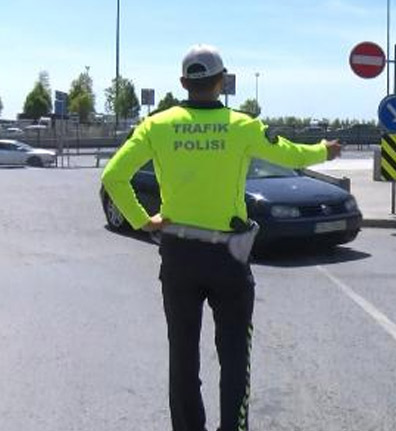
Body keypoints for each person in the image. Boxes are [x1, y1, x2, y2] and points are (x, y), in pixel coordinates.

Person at [101, 44, 342, 431]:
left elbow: (113, 176)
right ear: (222, 80)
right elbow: (291, 155)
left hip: (178, 254)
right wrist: (324, 151)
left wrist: (143, 221)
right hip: (229, 256)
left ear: (183, 83)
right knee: (233, 357)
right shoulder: (242, 125)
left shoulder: (157, 125)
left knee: (182, 357)